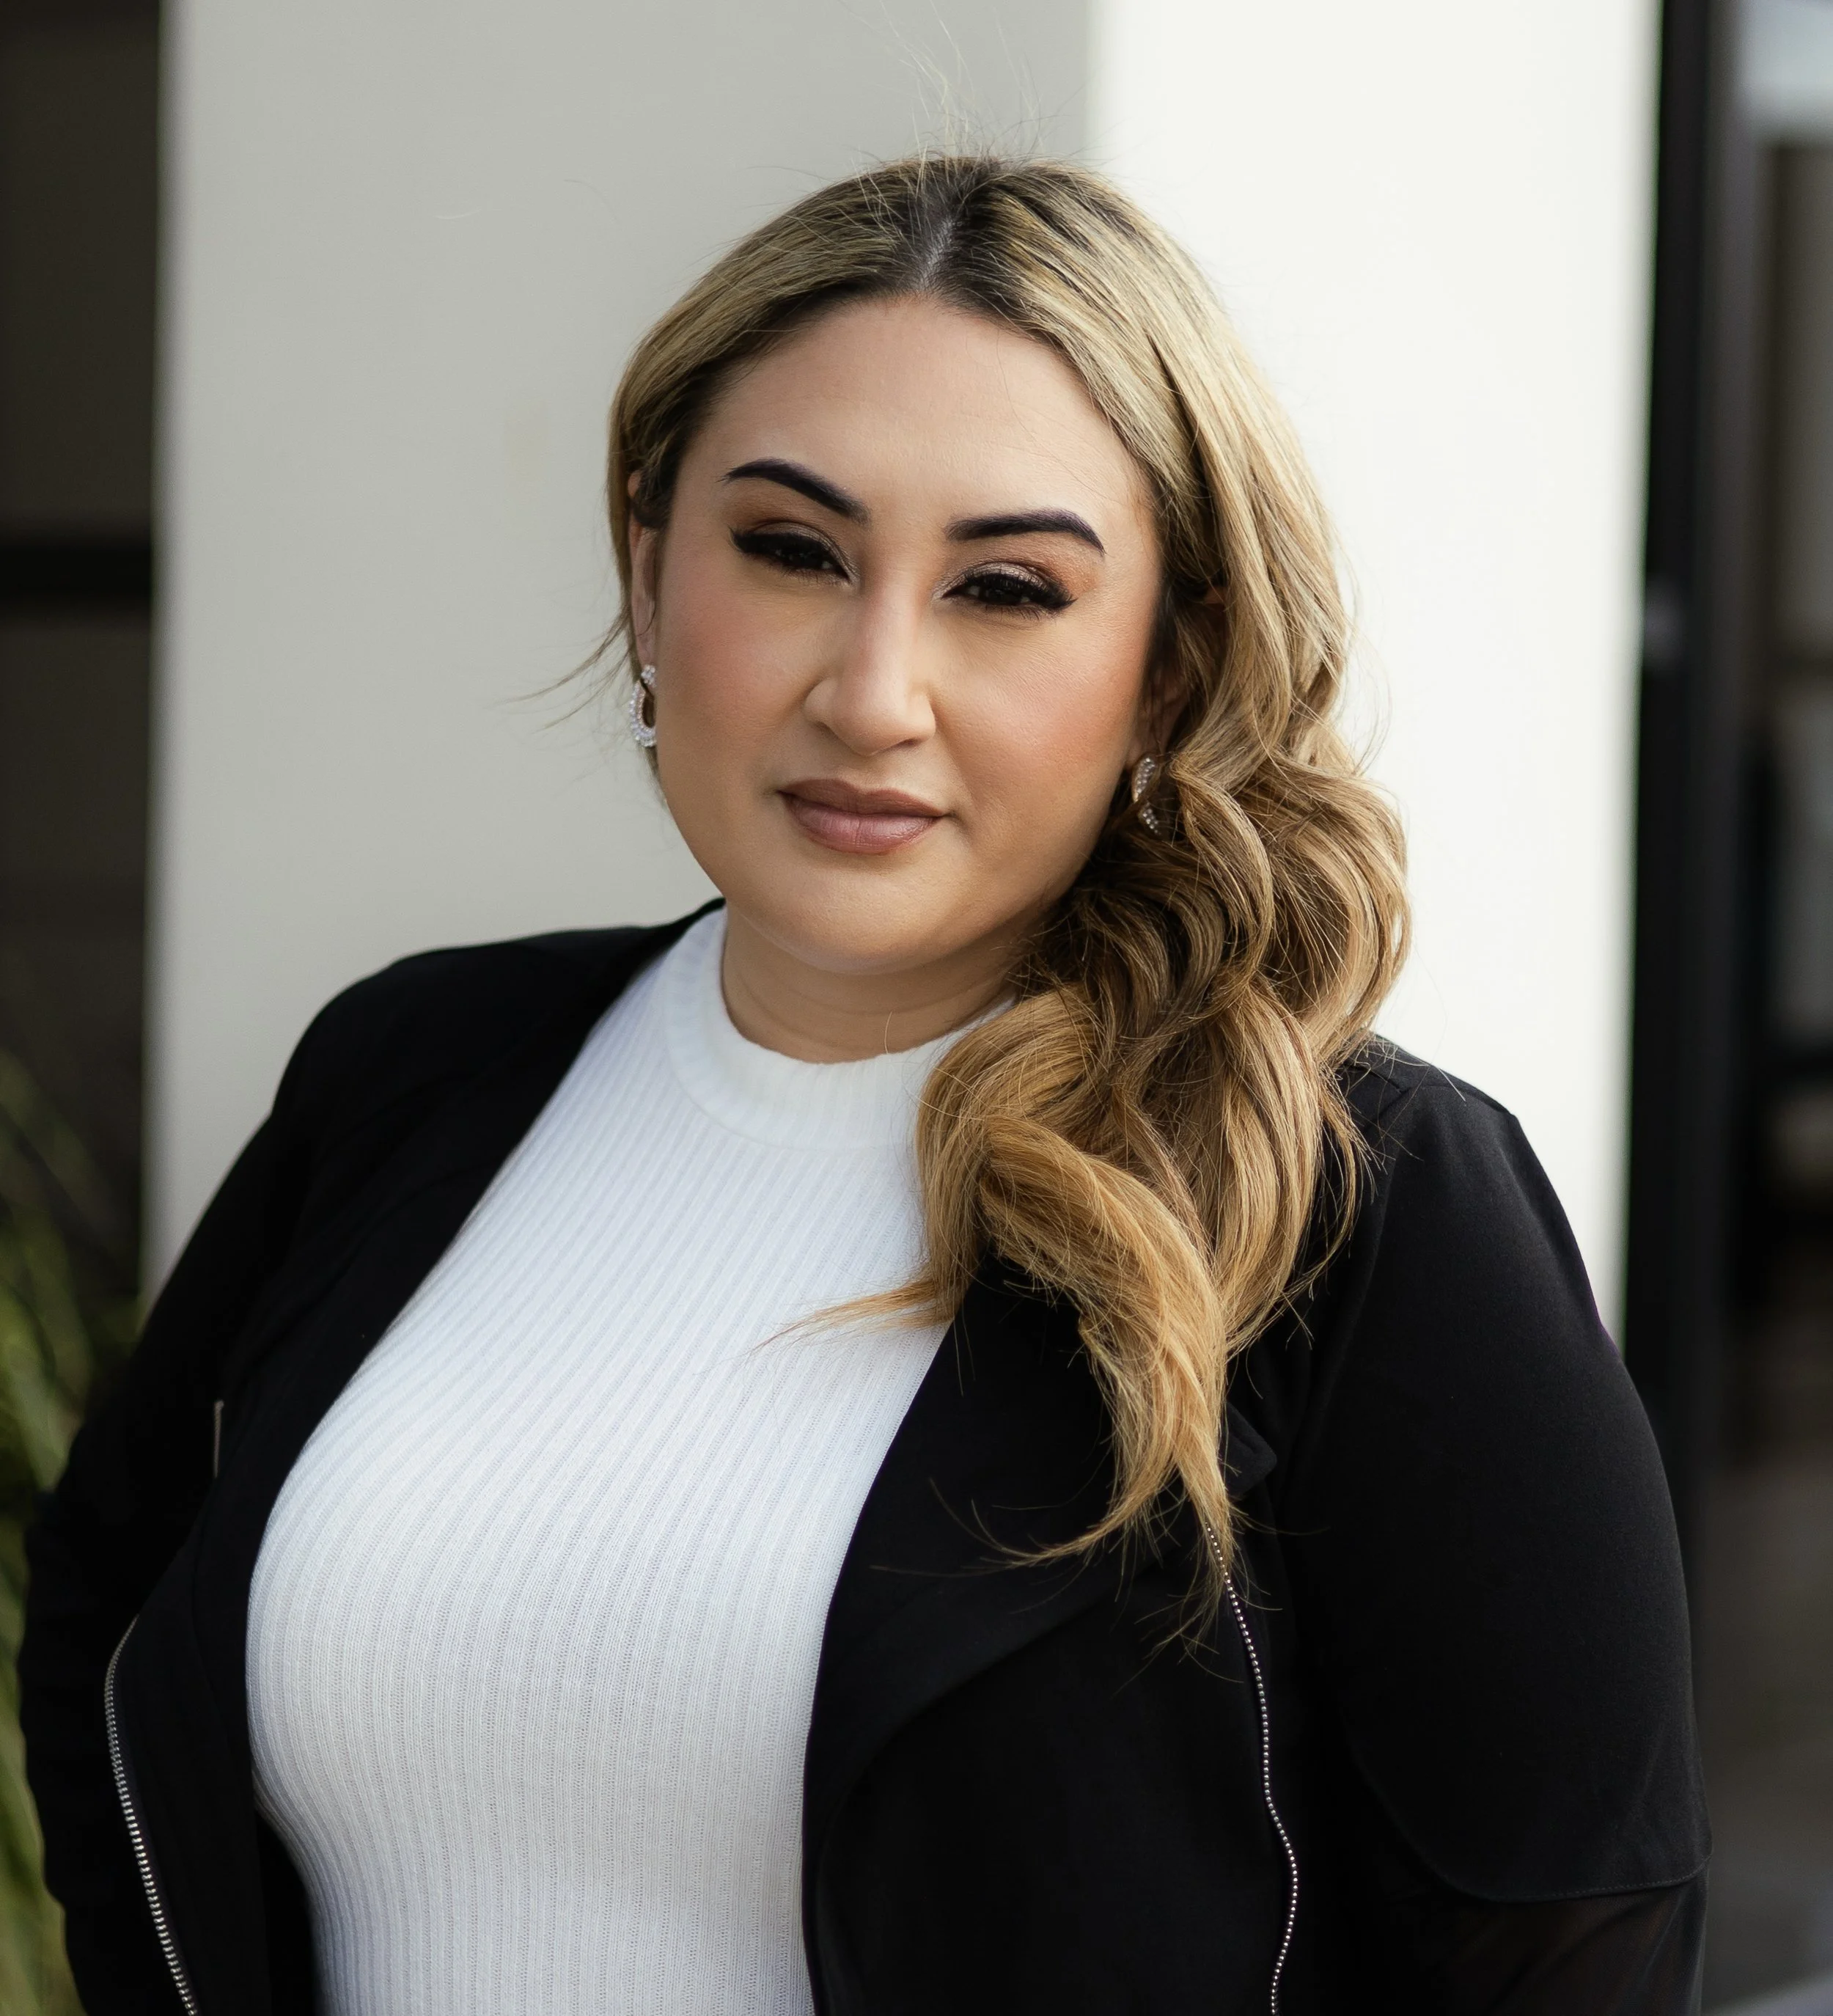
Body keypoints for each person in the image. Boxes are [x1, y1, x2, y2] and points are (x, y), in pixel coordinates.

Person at [21, 155, 1707, 2016]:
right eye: (792, 550)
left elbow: (1561, 1944)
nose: (875, 691)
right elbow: (112, 1628)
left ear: (1165, 665)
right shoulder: (413, 1068)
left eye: (1006, 588)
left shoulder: (1353, 1196)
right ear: (649, 560)